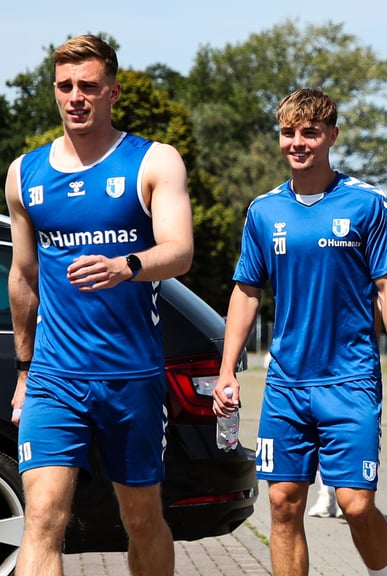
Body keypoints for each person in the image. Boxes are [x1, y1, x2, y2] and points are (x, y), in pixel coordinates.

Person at [4, 34, 193, 575]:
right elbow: (23, 276)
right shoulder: (25, 173)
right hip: (53, 377)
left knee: (141, 519)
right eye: (65, 86)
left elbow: (179, 252)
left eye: (88, 86)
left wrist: (125, 266)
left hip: (130, 377)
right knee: (42, 517)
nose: (75, 96)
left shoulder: (154, 161)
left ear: (112, 92)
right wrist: (23, 368)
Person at [214, 88, 387, 576]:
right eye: (289, 132)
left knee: (355, 505)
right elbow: (246, 292)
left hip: (349, 381)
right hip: (285, 383)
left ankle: (380, 572)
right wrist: (227, 371)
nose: (298, 142)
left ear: (331, 136)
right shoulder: (264, 211)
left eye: (310, 132)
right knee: (283, 504)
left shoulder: (369, 204)